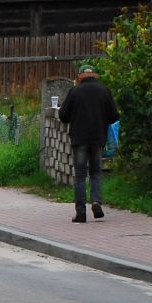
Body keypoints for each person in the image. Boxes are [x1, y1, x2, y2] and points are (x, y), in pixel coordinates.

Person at [57, 66, 119, 222]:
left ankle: (81, 212)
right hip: (98, 139)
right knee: (96, 172)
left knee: (80, 175)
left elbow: (63, 116)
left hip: (79, 139)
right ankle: (96, 202)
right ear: (95, 76)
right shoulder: (104, 91)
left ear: (79, 77)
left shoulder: (75, 92)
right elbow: (114, 116)